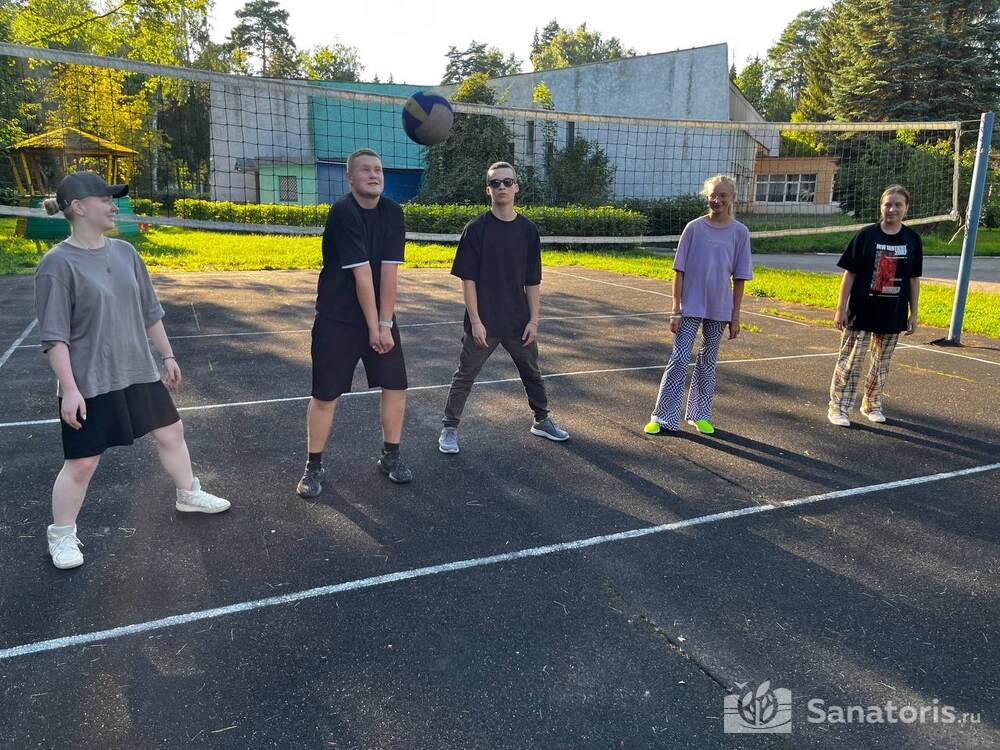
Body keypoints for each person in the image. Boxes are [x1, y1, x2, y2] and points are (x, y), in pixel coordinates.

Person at [35, 172, 230, 570]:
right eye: (106, 200)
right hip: (90, 381)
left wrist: (168, 356)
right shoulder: (56, 264)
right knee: (82, 463)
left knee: (171, 432)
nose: (114, 206)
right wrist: (69, 389)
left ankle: (188, 493)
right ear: (78, 207)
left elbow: (149, 312)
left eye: (114, 199)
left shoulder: (126, 252)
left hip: (138, 371)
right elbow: (55, 338)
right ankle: (62, 535)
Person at [296, 148, 411, 497]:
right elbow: (362, 276)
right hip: (338, 318)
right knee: (325, 394)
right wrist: (375, 328)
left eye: (378, 170)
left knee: (395, 385)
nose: (374, 175)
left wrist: (385, 325)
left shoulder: (393, 213)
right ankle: (313, 467)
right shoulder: (343, 212)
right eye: (365, 170)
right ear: (349, 177)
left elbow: (388, 274)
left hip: (379, 317)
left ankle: (390, 457)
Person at [438, 161, 569, 454]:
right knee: (465, 376)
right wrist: (475, 321)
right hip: (484, 322)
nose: (502, 187)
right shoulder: (475, 229)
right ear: (488, 190)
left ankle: (542, 420)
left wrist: (533, 320)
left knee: (532, 372)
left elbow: (532, 281)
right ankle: (449, 428)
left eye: (507, 182)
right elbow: (468, 280)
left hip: (518, 321)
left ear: (516, 187)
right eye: (495, 183)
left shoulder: (528, 231)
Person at [645, 175, 752, 436]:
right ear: (707, 196)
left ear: (732, 198)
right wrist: (675, 309)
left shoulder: (740, 232)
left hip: (719, 307)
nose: (717, 200)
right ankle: (662, 416)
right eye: (713, 195)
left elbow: (740, 277)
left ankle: (699, 414)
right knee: (679, 358)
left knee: (708, 361)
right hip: (690, 305)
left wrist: (735, 316)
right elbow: (678, 270)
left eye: (722, 195)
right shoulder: (693, 228)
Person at [827, 185, 922, 427]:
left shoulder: (912, 239)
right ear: (881, 207)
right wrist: (840, 308)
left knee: (881, 364)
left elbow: (913, 279)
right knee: (850, 361)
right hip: (861, 311)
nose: (892, 209)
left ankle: (871, 404)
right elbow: (849, 274)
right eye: (887, 204)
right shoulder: (866, 236)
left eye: (898, 205)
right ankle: (838, 407)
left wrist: (914, 313)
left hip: (892, 313)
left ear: (906, 208)